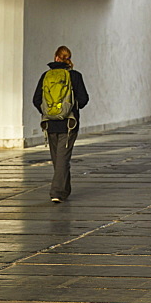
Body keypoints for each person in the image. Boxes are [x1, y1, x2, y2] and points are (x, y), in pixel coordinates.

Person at [33, 45, 89, 203]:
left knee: (58, 159)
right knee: (63, 159)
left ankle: (64, 190)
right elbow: (84, 100)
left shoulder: (46, 76)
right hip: (69, 124)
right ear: (68, 58)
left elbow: (36, 100)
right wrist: (70, 107)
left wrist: (49, 112)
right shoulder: (75, 76)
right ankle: (57, 192)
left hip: (50, 124)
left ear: (56, 58)